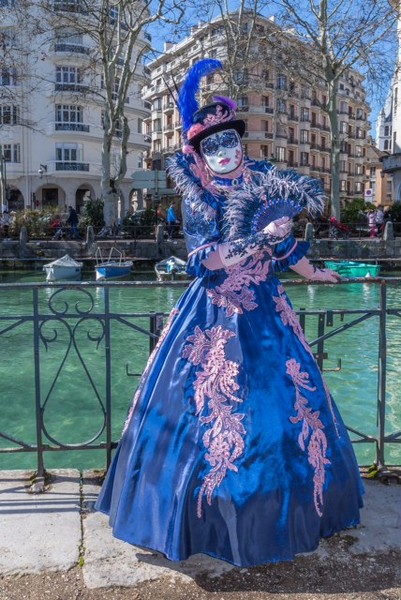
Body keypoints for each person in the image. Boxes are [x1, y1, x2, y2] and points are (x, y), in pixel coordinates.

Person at [96, 59, 363, 567]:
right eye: (211, 145)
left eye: (230, 141)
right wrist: (256, 239)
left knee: (287, 407)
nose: (224, 151)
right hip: (215, 315)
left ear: (242, 142)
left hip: (269, 310)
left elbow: (284, 248)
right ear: (198, 152)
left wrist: (311, 271)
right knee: (207, 413)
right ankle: (201, 523)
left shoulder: (263, 177)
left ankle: (285, 513)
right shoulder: (198, 195)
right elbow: (206, 262)